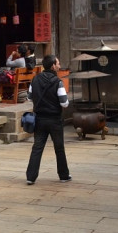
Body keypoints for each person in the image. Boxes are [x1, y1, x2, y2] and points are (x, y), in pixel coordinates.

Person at [25, 54, 71, 185]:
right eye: (58, 63)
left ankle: (30, 177)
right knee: (59, 148)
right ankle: (63, 175)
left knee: (37, 147)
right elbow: (64, 103)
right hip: (54, 120)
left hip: (39, 119)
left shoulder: (35, 79)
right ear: (53, 66)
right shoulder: (58, 82)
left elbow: (29, 97)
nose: (59, 66)